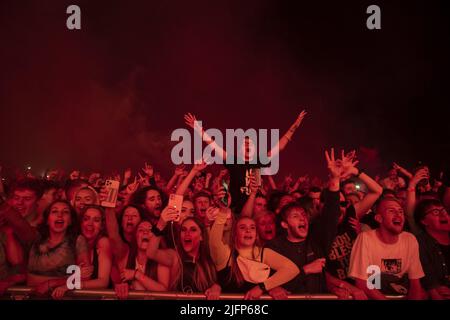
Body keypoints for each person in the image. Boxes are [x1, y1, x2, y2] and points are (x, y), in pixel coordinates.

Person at [184, 110, 307, 213]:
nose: (248, 145)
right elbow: (214, 145)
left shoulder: (258, 161)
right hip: (235, 209)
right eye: (245, 143)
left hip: (255, 209)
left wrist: (294, 126)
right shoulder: (234, 161)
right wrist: (199, 130)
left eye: (250, 144)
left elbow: (279, 147)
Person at [266, 148, 342, 295]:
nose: (302, 218)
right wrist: (306, 270)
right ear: (284, 224)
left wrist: (334, 180)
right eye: (295, 216)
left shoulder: (316, 241)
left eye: (303, 214)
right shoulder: (274, 248)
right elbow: (273, 286)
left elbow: (331, 217)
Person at [325, 151, 383, 299]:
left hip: (367, 288)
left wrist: (355, 171)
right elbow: (322, 272)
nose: (340, 208)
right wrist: (346, 287)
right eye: (336, 204)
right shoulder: (317, 228)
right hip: (341, 293)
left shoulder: (350, 216)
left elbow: (377, 191)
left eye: (343, 204)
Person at [348, 197, 425, 299]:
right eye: (391, 211)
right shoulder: (366, 238)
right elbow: (362, 282)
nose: (398, 215)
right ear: (379, 218)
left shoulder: (409, 239)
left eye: (401, 211)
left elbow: (415, 282)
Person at [146, 207, 221, 299]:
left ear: (201, 236)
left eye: (193, 230)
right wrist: (160, 225)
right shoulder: (175, 256)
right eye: (183, 230)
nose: (187, 233)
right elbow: (151, 253)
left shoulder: (208, 259)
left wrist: (216, 287)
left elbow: (216, 283)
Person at [27, 200, 92, 298]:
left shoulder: (77, 240)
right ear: (47, 220)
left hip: (61, 296)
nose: (60, 215)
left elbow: (85, 276)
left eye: (65, 212)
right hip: (32, 295)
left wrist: (52, 283)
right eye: (54, 212)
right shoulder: (35, 238)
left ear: (70, 220)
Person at [50, 205, 113, 298]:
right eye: (86, 219)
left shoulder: (103, 242)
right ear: (80, 222)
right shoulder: (71, 241)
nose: (90, 224)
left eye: (96, 220)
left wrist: (71, 285)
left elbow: (103, 282)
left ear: (102, 226)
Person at [414, 199, 450, 299]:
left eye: (444, 211)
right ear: (424, 221)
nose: (443, 215)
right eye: (435, 212)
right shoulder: (419, 243)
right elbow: (429, 280)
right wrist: (434, 289)